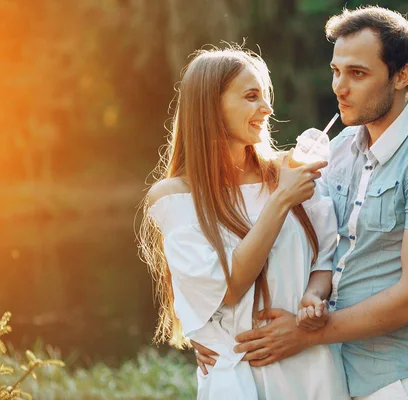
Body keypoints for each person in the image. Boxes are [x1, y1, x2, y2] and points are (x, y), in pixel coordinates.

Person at [193, 6, 408, 400]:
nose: (339, 87)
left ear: (402, 76)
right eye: (336, 71)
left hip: (401, 378)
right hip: (330, 376)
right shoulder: (339, 149)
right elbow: (289, 245)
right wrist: (211, 329)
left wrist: (307, 334)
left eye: (357, 74)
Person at [138, 46, 349, 400]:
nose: (266, 109)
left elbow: (327, 255)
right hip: (235, 375)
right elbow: (228, 287)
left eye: (265, 97)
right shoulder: (175, 198)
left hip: (311, 370)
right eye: (251, 97)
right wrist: (281, 199)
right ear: (210, 107)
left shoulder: (293, 172)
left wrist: (313, 300)